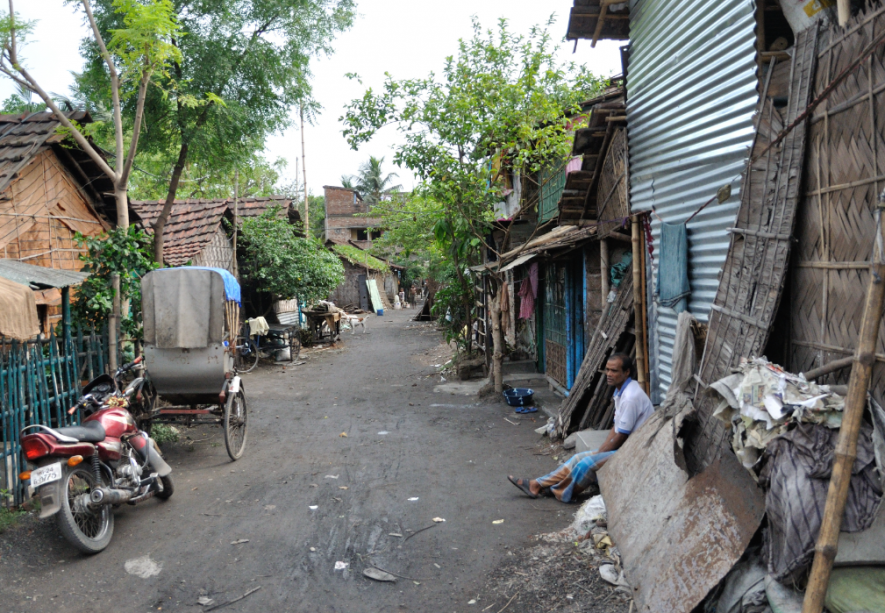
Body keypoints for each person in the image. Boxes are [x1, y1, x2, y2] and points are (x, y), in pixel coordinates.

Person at [507, 353, 654, 503]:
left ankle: (558, 492)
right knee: (577, 458)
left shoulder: (630, 397)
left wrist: (599, 453)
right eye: (607, 370)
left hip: (635, 452)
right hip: (626, 446)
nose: (609, 374)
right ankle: (536, 484)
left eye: (614, 371)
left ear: (627, 372)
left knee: (586, 464)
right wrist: (601, 450)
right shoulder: (623, 390)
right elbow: (616, 427)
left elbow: (621, 436)